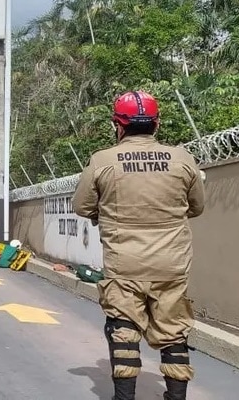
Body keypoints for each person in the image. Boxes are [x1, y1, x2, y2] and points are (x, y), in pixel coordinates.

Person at [72, 90, 205, 400]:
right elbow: (196, 207)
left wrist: (105, 212)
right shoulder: (182, 159)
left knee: (124, 329)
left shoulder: (102, 160)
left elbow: (82, 206)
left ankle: (124, 396)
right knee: (174, 332)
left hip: (124, 262)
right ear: (156, 124)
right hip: (171, 264)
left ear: (118, 126)